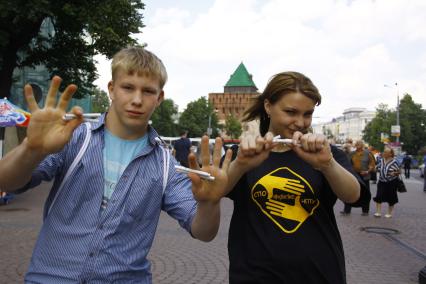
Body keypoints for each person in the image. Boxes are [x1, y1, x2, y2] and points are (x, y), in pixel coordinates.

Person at [0, 47, 232, 283]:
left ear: (160, 98)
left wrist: (209, 203)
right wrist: (32, 148)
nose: (137, 100)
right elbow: (7, 181)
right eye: (128, 87)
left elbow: (203, 231)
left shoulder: (165, 165)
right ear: (111, 89)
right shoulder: (74, 138)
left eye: (148, 91)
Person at [222, 71, 364, 283]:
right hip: (253, 275)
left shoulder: (324, 153)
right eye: (291, 112)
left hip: (319, 274)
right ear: (268, 107)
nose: (300, 122)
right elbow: (215, 192)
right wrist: (240, 164)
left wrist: (327, 165)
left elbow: (353, 196)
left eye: (307, 114)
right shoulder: (243, 153)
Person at [341, 140, 375, 216]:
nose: (357, 145)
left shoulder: (368, 153)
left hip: (364, 176)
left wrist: (367, 171)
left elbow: (372, 165)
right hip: (354, 175)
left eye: (359, 144)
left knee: (365, 193)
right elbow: (346, 163)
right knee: (349, 192)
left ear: (362, 145)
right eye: (356, 144)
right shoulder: (352, 154)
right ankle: (347, 210)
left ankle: (365, 211)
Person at [373, 147, 400, 218]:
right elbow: (377, 168)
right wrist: (375, 169)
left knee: (391, 197)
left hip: (392, 182)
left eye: (386, 152)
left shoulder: (395, 161)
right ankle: (378, 212)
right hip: (381, 181)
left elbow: (399, 171)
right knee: (379, 196)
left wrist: (394, 173)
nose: (384, 153)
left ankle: (389, 213)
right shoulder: (381, 160)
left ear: (390, 154)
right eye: (384, 152)